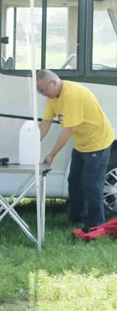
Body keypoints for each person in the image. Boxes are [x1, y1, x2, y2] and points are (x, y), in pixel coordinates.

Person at [37, 69, 114, 227]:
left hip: (98, 142)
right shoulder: (53, 97)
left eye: (43, 91)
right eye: (40, 92)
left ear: (53, 83)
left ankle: (95, 224)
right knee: (74, 181)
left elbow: (67, 130)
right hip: (82, 143)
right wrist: (34, 141)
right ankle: (77, 219)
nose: (43, 94)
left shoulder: (71, 95)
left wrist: (51, 154)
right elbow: (46, 121)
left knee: (91, 184)